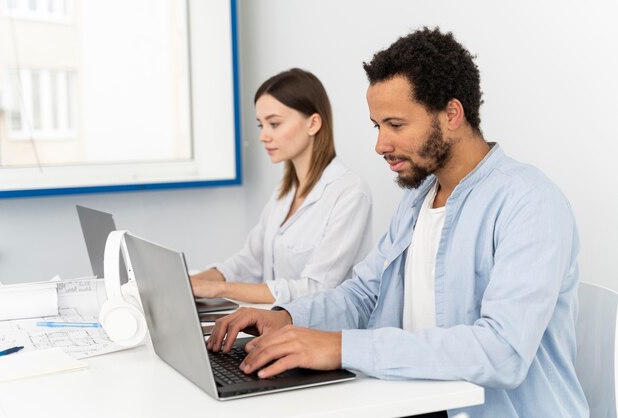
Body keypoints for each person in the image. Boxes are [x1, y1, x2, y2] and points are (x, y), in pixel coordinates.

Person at [206, 28, 589, 417]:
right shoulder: (416, 200)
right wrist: (285, 317)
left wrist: (339, 347)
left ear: (451, 114)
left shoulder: (529, 201)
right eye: (377, 126)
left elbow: (502, 351)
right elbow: (363, 294)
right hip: (412, 404)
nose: (380, 145)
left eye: (396, 125)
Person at [190, 68, 373, 305]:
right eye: (261, 125)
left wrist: (218, 289)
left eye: (274, 124)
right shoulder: (283, 192)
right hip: (276, 324)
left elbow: (317, 287)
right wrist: (190, 283)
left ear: (313, 123)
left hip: (321, 333)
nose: (263, 136)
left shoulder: (349, 193)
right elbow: (249, 261)